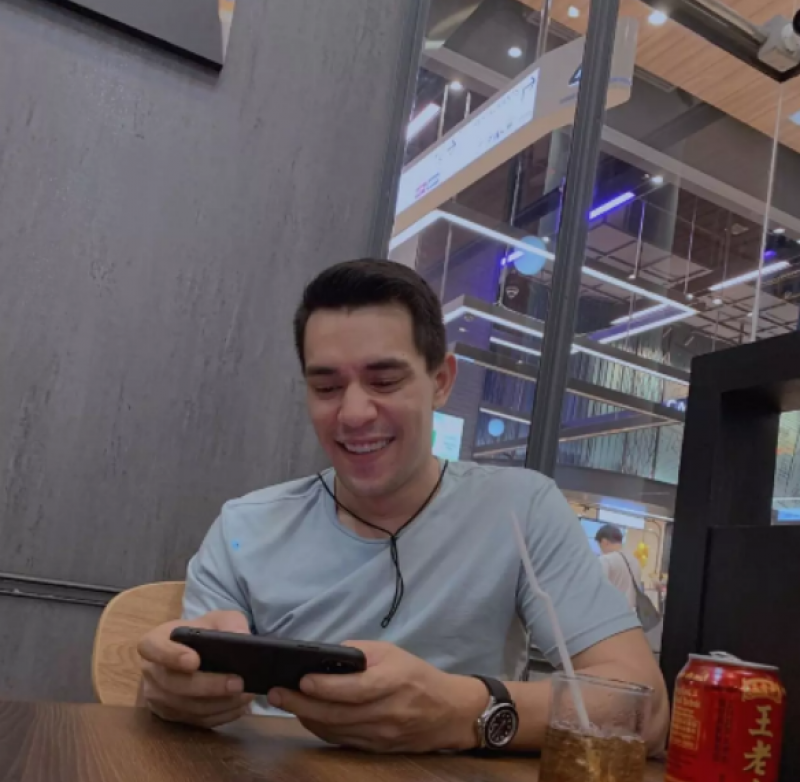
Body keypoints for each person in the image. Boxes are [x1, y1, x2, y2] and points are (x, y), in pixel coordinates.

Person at [138, 259, 669, 754]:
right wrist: (173, 691)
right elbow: (171, 700)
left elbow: (644, 710)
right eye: (326, 387)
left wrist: (461, 711)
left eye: (385, 381)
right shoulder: (245, 527)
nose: (353, 413)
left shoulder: (520, 509)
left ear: (441, 382)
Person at [595, 524, 643, 611]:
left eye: (600, 546)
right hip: (630, 614)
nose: (601, 550)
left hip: (610, 613)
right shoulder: (635, 561)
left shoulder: (605, 560)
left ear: (605, 542)